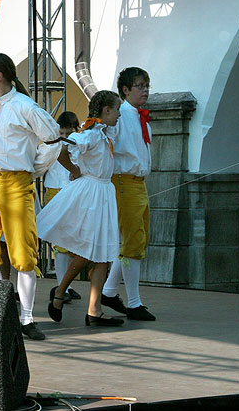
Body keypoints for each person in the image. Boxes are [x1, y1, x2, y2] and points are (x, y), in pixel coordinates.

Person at [0, 53, 62, 341]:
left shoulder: (24, 106)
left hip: (15, 182)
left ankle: (26, 317)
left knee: (23, 252)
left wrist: (32, 169)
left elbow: (52, 137)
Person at [38, 90, 124, 327]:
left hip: (103, 192)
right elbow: (64, 150)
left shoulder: (104, 133)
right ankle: (60, 291)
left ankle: (93, 310)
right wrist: (75, 171)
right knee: (90, 251)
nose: (119, 114)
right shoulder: (92, 134)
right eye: (116, 109)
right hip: (93, 193)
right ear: (106, 111)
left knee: (102, 255)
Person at [101, 67, 156, 321]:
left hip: (138, 182)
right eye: (140, 86)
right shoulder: (120, 115)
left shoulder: (139, 116)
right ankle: (133, 302)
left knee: (137, 239)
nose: (144, 90)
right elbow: (107, 140)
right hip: (124, 181)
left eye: (147, 85)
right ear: (125, 90)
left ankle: (109, 291)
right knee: (133, 239)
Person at [44, 111, 82, 302]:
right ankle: (62, 287)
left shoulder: (80, 145)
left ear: (77, 130)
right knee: (60, 243)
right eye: (62, 134)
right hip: (55, 192)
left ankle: (67, 284)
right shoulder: (51, 146)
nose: (65, 138)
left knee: (71, 242)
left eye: (69, 134)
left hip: (73, 194)